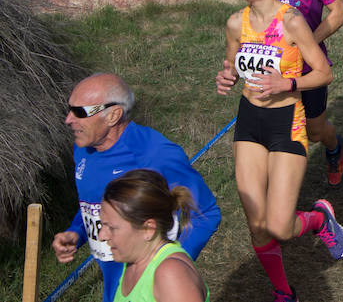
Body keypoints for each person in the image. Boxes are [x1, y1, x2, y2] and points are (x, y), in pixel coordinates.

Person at [216, 0, 343, 302]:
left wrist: (286, 83)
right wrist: (225, 77)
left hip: (286, 121)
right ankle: (282, 291)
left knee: (279, 225)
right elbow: (231, 65)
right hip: (249, 121)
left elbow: (323, 73)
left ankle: (320, 219)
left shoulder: (291, 21)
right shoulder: (235, 23)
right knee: (256, 225)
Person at [51, 74, 221, 302]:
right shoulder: (83, 149)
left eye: (80, 112)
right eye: (69, 109)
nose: (68, 119)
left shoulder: (155, 153)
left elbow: (207, 214)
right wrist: (76, 232)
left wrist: (165, 267)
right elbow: (94, 202)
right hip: (116, 284)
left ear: (113, 115)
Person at [258, 0, 343, 186]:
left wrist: (307, 43)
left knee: (315, 132)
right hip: (271, 67)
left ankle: (334, 146)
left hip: (308, 68)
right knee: (274, 132)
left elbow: (340, 11)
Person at [99, 170, 208, 302]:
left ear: (148, 229)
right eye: (102, 225)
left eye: (111, 227)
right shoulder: (133, 262)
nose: (101, 236)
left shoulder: (171, 275)